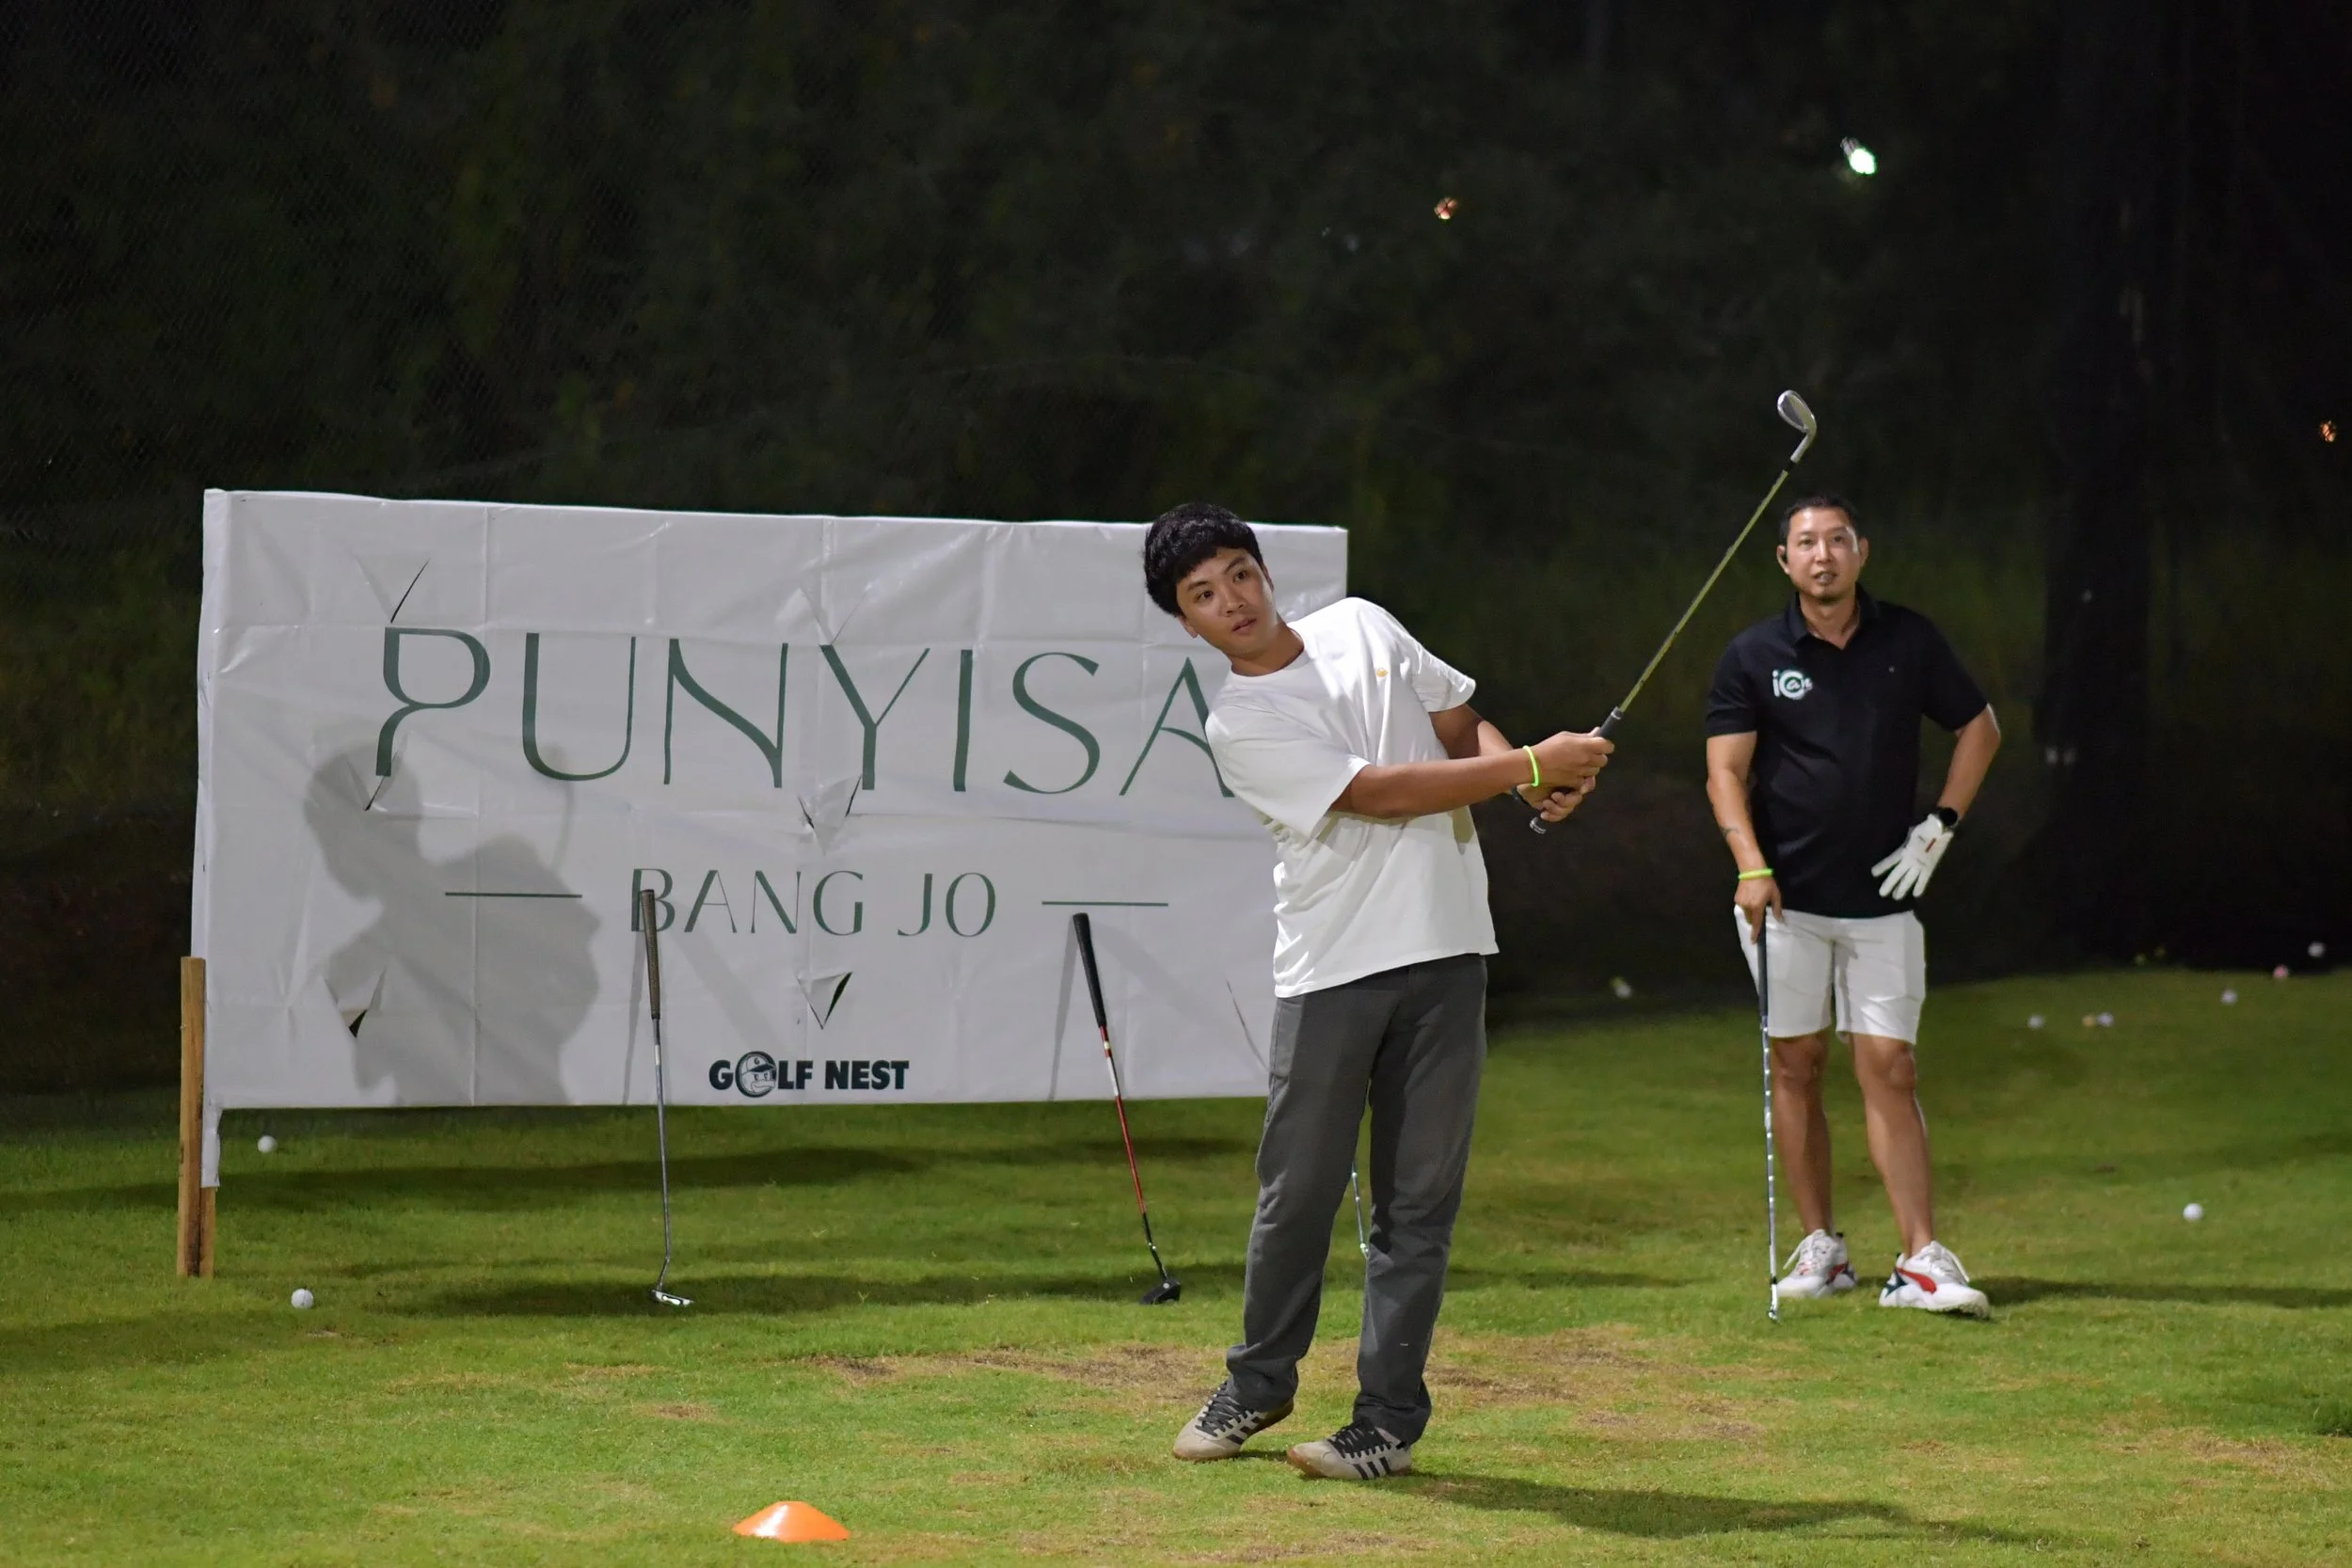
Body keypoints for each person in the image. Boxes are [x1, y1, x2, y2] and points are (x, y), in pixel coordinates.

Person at [1142, 502, 1612, 1479]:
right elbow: (1377, 792)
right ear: (1184, 623)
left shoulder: (1363, 621)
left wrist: (1520, 774)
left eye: (1238, 572)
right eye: (1202, 593)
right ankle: (1259, 1382)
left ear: (1264, 571)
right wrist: (1527, 764)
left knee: (1417, 1206)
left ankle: (1388, 1419)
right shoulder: (1238, 721)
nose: (1230, 598)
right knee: (1297, 1193)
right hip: (1331, 967)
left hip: (1448, 953)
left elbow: (1452, 724)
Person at [1704, 493, 2003, 1317]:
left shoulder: (1908, 639)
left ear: (1862, 551)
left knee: (1891, 1067)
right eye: (1807, 543)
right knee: (1795, 1065)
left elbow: (1980, 728)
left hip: (1882, 901)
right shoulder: (1754, 654)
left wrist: (1938, 828)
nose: (1823, 555)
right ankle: (1824, 1248)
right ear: (1785, 560)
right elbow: (1725, 773)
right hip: (1785, 902)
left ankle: (1920, 1260)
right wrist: (1749, 864)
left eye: (1838, 540)